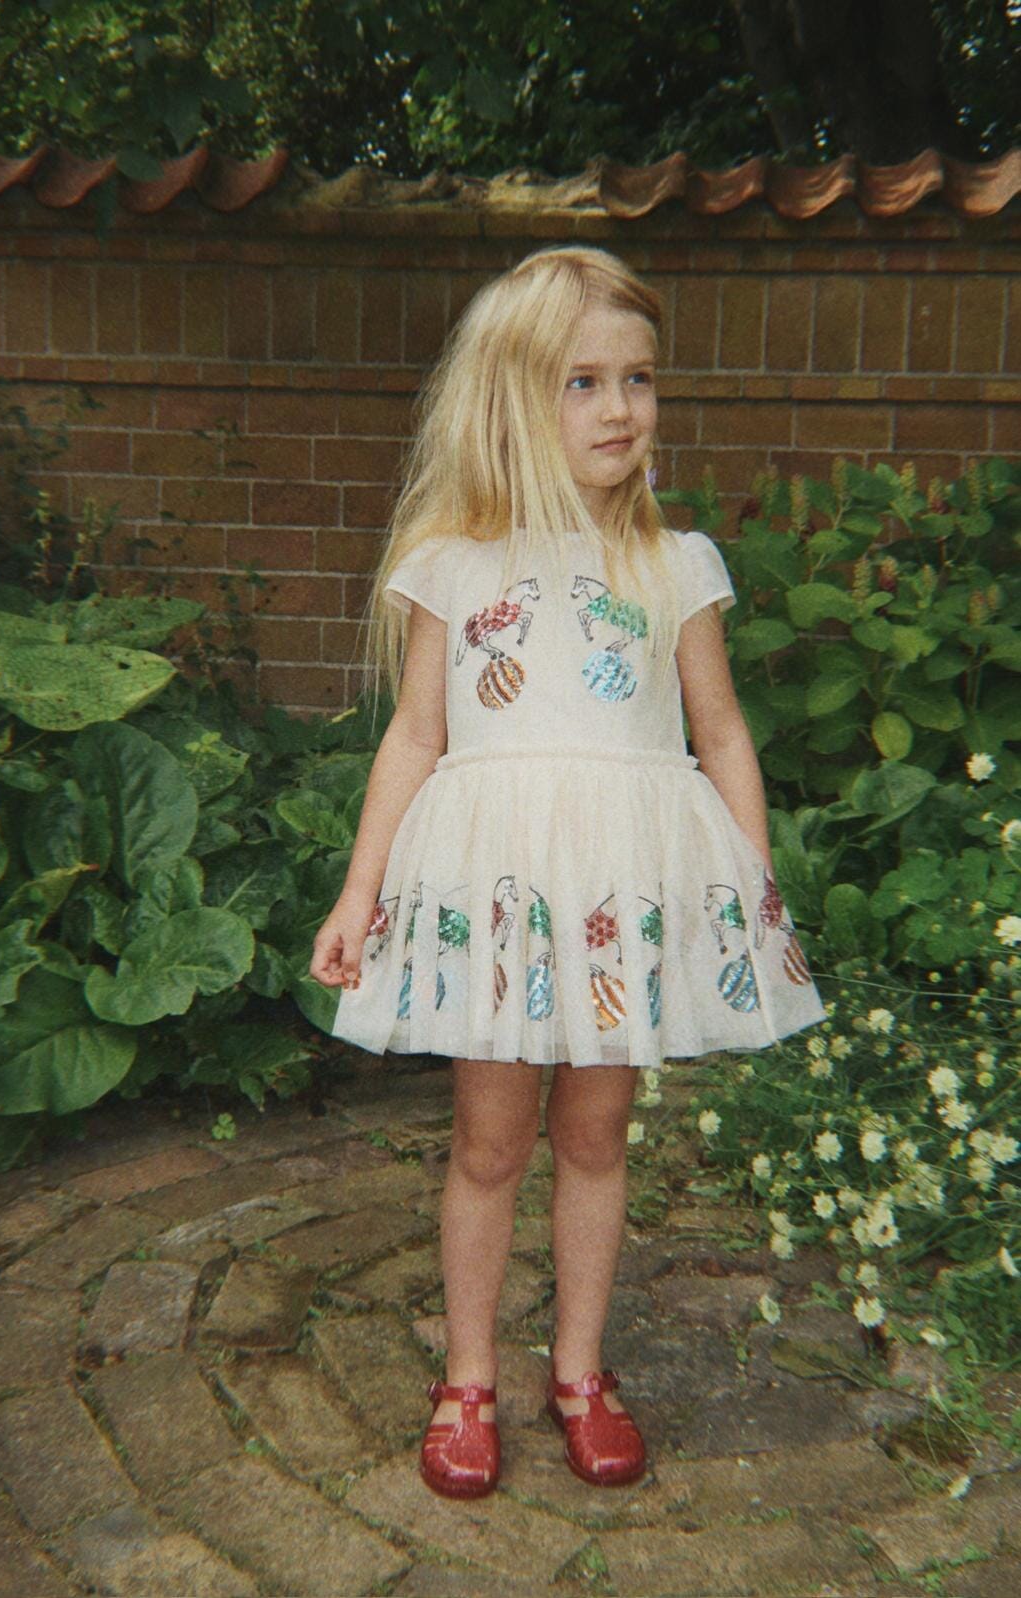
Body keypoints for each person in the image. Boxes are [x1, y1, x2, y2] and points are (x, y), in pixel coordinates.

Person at [309, 245, 827, 1501]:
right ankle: (469, 1375)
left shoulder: (676, 563)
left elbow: (722, 733)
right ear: (512, 399)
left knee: (596, 1135)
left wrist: (747, 894)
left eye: (637, 378)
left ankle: (581, 1370)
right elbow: (417, 734)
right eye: (582, 381)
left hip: (617, 902)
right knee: (490, 1141)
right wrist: (360, 889)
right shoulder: (456, 562)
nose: (618, 408)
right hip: (500, 898)